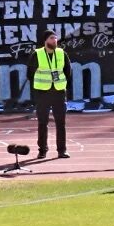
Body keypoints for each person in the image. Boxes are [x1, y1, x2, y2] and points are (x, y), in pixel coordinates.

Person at [27, 29, 72, 159]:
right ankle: (42, 150)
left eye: (55, 38)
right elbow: (30, 74)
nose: (54, 40)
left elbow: (68, 71)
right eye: (52, 38)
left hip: (58, 92)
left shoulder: (62, 53)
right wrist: (38, 87)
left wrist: (63, 86)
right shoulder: (37, 54)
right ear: (45, 40)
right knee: (42, 122)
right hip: (43, 93)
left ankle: (62, 150)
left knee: (61, 123)